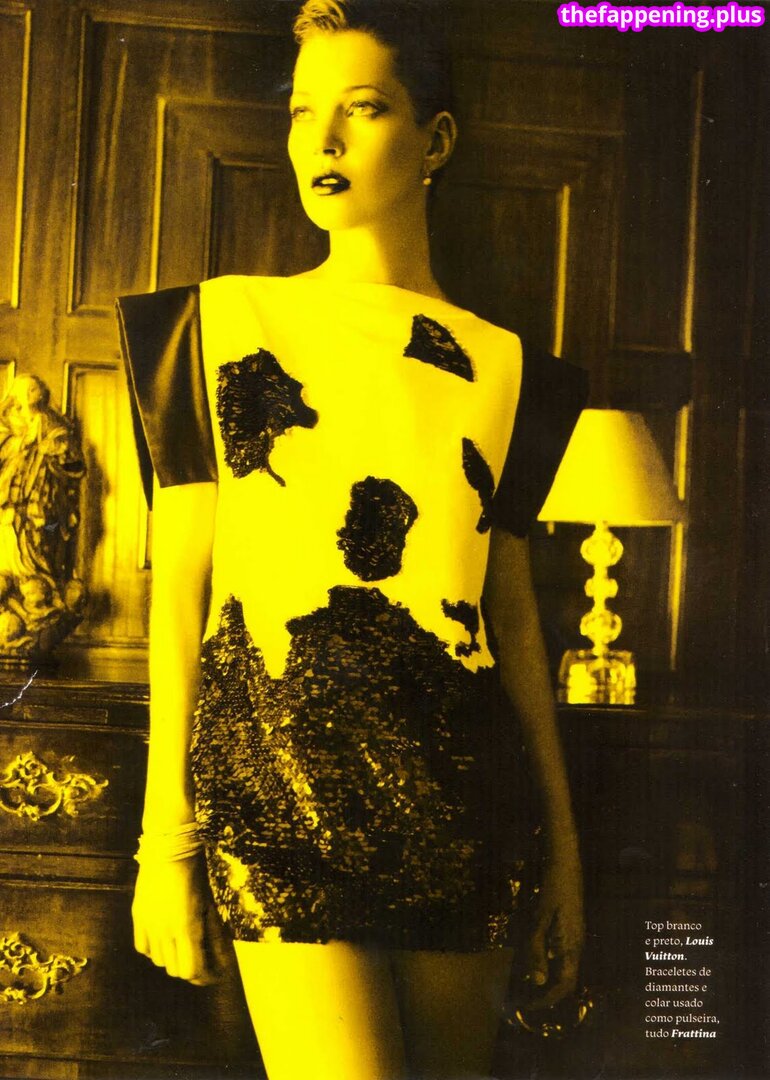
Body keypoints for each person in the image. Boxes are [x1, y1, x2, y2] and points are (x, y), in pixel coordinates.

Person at [116, 2, 588, 1077]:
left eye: (362, 108)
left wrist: (565, 858)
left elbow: (511, 621)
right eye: (301, 112)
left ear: (436, 140)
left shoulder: (511, 370)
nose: (321, 139)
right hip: (274, 794)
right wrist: (163, 846)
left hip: (463, 802)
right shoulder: (214, 325)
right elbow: (182, 591)